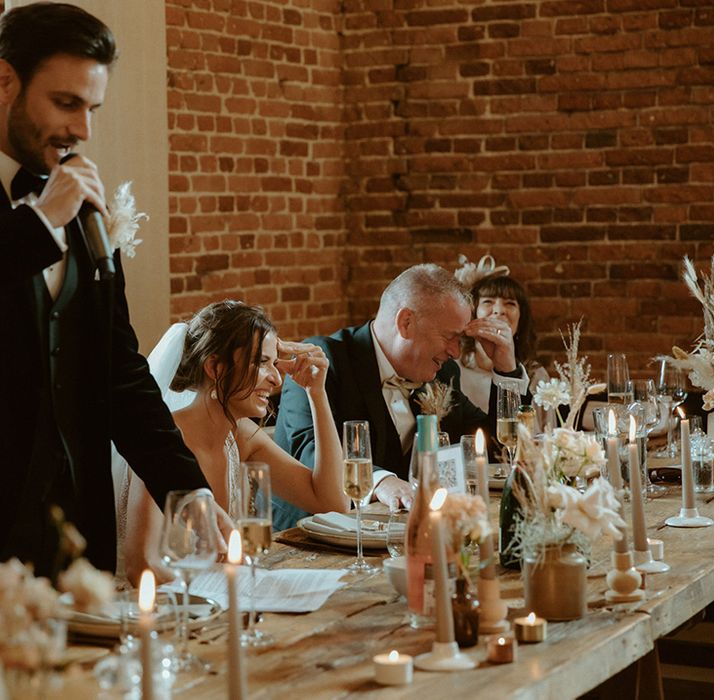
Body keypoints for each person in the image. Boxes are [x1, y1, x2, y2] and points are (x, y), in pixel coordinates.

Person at [0, 3, 215, 578]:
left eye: (92, 108)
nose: (83, 131)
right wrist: (40, 225)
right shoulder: (55, 210)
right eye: (67, 104)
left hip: (74, 536)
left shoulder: (81, 210)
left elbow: (119, 371)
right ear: (4, 81)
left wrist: (186, 488)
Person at [273, 263, 527, 530]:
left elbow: (498, 452)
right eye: (450, 337)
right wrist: (381, 481)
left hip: (397, 540)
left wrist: (506, 369)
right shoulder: (325, 363)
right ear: (406, 323)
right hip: (308, 542)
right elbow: (306, 451)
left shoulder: (443, 373)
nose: (455, 351)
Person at [120, 301, 347, 585]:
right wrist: (222, 592)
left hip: (222, 602)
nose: (276, 378)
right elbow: (142, 567)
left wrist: (317, 393)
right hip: (163, 609)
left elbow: (332, 501)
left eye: (274, 362)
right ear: (215, 367)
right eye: (261, 362)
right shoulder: (162, 442)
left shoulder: (242, 436)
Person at [455, 255, 549, 426]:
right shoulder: (453, 369)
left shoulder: (537, 375)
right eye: (488, 302)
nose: (498, 311)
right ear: (473, 312)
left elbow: (545, 434)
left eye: (510, 304)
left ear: (521, 319)